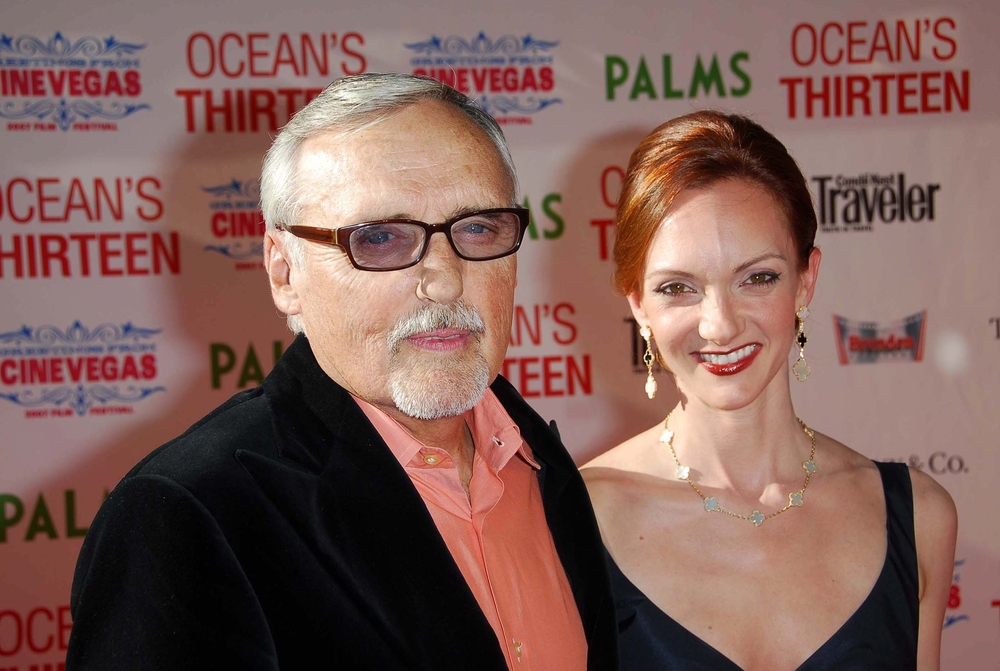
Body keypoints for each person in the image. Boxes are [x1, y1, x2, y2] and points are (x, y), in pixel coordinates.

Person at [67, 73, 617, 671]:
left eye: (477, 228)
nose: (444, 280)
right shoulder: (188, 513)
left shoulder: (541, 459)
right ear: (284, 272)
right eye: (379, 238)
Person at [581, 110, 957, 671]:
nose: (720, 325)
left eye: (757, 278)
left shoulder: (918, 517)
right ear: (639, 305)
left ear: (806, 280)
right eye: (678, 288)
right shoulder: (576, 520)